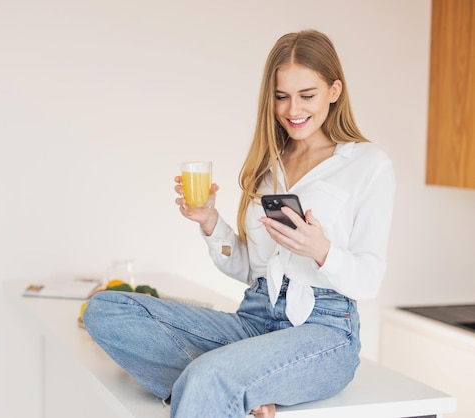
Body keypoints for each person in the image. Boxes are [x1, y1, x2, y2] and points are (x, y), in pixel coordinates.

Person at [83, 29, 395, 418]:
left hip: (325, 331)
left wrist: (320, 250)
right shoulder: (269, 165)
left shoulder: (367, 164)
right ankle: (241, 387)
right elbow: (252, 269)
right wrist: (210, 221)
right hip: (254, 319)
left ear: (334, 91)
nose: (292, 109)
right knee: (106, 311)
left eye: (306, 95)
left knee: (210, 375)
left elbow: (368, 278)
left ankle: (224, 384)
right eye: (281, 96)